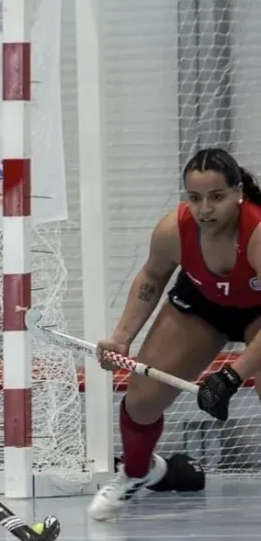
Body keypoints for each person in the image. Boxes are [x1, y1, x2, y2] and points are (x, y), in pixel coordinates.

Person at [90, 147, 261, 521]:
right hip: (202, 307)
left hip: (257, 314)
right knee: (142, 400)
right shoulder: (174, 229)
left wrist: (233, 375)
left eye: (217, 197)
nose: (204, 209)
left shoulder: (258, 234)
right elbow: (152, 276)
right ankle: (138, 472)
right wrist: (122, 337)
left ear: (238, 194)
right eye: (195, 198)